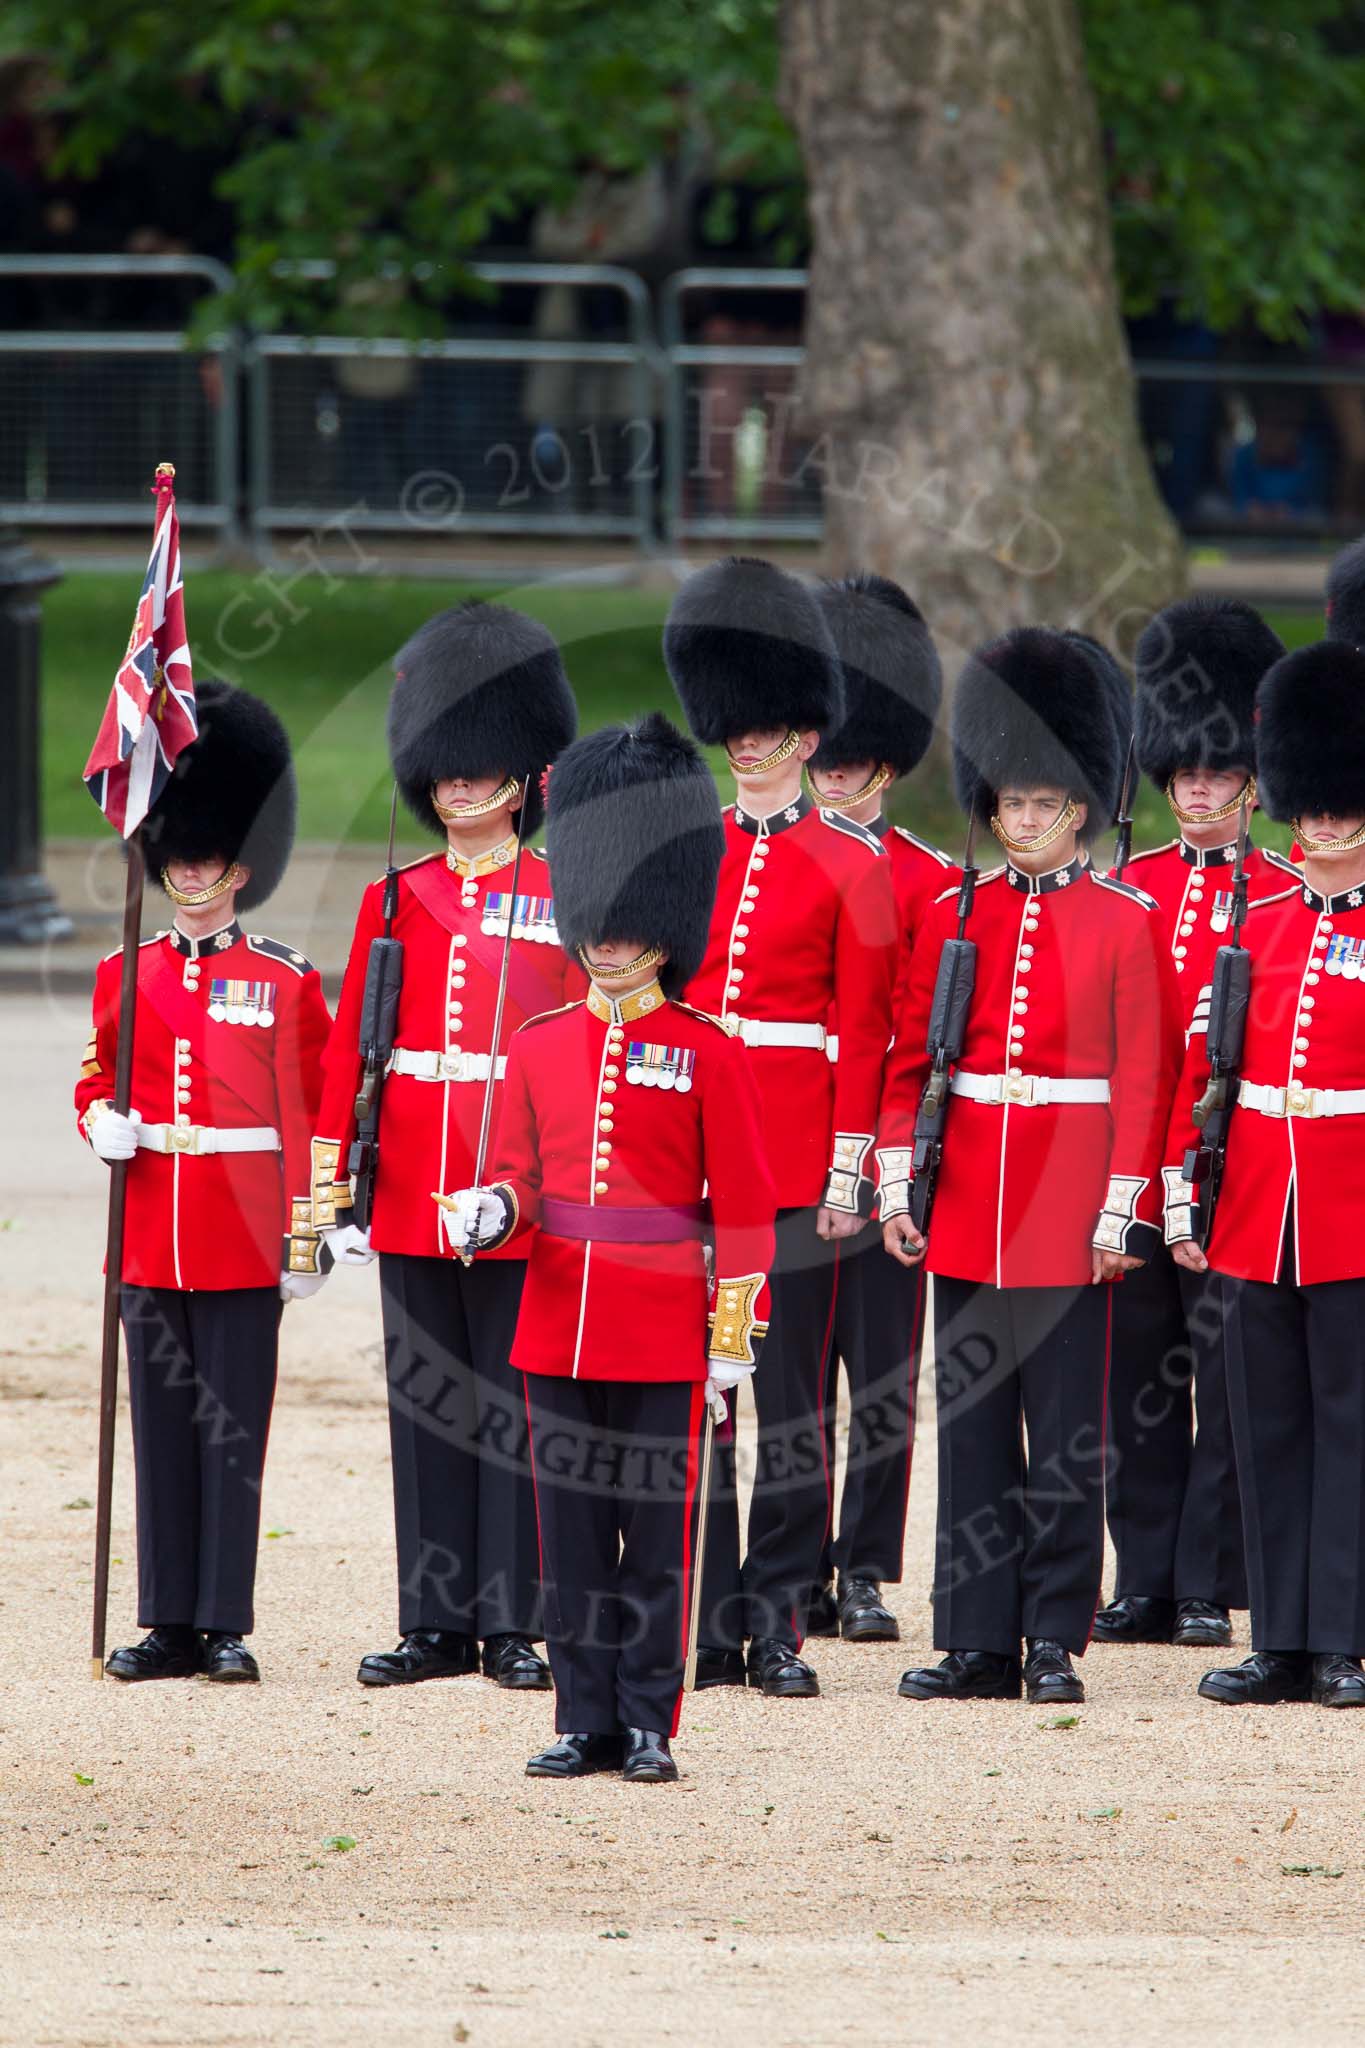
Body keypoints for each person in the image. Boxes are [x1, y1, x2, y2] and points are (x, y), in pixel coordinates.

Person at [446, 714, 776, 1781]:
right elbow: (519, 1174)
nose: (612, 942)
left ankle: (647, 1717)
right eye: (601, 923)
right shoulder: (541, 1044)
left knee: (658, 1539)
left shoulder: (708, 1050)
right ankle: (581, 1713)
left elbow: (747, 1209)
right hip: (556, 1319)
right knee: (573, 1536)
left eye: (633, 927)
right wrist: (490, 1213)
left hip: (664, 1323)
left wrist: (732, 1337)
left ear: (664, 926)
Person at [880, 629, 1180, 1705]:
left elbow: (1145, 1079)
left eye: (1045, 804)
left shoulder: (1123, 921)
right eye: (1009, 802)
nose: (1023, 821)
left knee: (1063, 1435)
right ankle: (974, 1634)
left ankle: (1052, 1633)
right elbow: (912, 1058)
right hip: (966, 1196)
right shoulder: (955, 911)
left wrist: (1120, 1209)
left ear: (1084, 809)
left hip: (1066, 1205)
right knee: (970, 1430)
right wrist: (895, 1180)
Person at [308, 602, 578, 1692]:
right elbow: (348, 1062)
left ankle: (514, 1618)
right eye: (446, 772)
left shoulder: (563, 897)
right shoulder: (395, 896)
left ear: (521, 774)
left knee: (516, 1404)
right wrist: (334, 1199)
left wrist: (542, 1185)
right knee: (427, 1404)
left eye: (479, 771)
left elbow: (569, 1056)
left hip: (518, 1186)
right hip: (414, 1178)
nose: (460, 788)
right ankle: (435, 1617)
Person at [664, 556, 899, 1697]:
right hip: (693, 1161)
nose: (744, 744)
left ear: (807, 736)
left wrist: (852, 1163)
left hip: (802, 1165)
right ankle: (706, 1615)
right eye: (733, 727)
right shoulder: (689, 847)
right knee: (695, 1389)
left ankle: (775, 1623)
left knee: (793, 1406)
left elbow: (865, 1032)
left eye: (765, 729)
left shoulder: (853, 862)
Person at [75, 679, 332, 1683]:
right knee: (160, 1433)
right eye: (178, 854)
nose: (192, 872)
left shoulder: (284, 978)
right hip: (148, 1231)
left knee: (231, 1431)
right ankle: (167, 1618)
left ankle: (225, 1617)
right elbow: (99, 1071)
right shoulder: (121, 971)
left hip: (239, 1234)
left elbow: (310, 1116)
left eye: (210, 855)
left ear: (241, 863)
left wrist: (306, 1236)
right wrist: (99, 1115)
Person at [1095, 598, 1299, 1651]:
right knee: (1135, 1382)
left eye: (1216, 775)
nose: (1197, 790)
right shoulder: (1130, 890)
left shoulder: (1281, 896)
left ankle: (1212, 1577)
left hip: (1231, 1175)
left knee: (1221, 1389)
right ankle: (1146, 1575)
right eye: (1183, 775)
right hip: (1133, 1173)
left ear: (1252, 782)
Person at [1165, 640, 1365, 1710]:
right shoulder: (1260, 925)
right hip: (1257, 1208)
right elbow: (1207, 1071)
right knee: (1267, 1420)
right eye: (1316, 802)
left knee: (1350, 1420)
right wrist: (1188, 1191)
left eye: (1345, 802)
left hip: (1355, 1210)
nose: (1327, 820)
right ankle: (1280, 1635)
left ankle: (1343, 1634)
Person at [803, 573, 955, 1644]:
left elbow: (920, 1043)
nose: (831, 774)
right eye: (825, 756)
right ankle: (800, 1555)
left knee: (883, 1377)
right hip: (786, 1147)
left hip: (886, 1153)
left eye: (850, 761)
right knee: (792, 1372)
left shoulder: (930, 880)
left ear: (885, 764)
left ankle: (865, 1566)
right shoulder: (762, 859)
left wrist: (889, 1166)